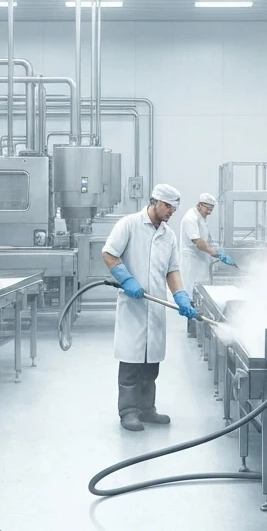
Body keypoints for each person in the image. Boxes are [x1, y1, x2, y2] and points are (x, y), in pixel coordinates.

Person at [102, 182, 198, 432]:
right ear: (155, 201)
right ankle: (128, 412)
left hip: (155, 306)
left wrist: (181, 296)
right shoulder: (129, 224)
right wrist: (127, 279)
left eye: (173, 209)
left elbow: (172, 270)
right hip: (133, 306)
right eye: (167, 206)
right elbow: (109, 254)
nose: (170, 212)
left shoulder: (169, 235)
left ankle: (147, 409)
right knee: (131, 362)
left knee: (151, 364)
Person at [179, 193, 237, 307]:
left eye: (211, 209)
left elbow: (206, 238)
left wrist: (217, 247)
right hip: (191, 261)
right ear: (199, 205)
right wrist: (217, 254)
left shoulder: (201, 217)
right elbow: (199, 243)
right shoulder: (190, 218)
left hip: (200, 260)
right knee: (191, 291)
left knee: (201, 292)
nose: (209, 212)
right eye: (207, 208)